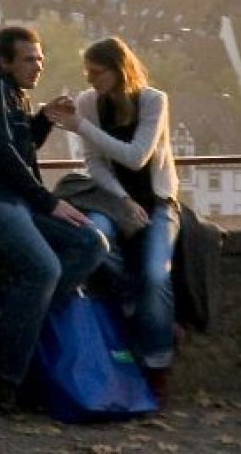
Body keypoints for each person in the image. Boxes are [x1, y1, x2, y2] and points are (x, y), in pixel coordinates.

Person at [0, 25, 107, 411]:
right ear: (4, 61)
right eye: (29, 59)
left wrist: (43, 120)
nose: (38, 66)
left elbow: (20, 144)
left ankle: (20, 314)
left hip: (13, 200)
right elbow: (0, 151)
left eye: (40, 59)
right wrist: (47, 202)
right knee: (43, 270)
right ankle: (4, 380)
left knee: (91, 243)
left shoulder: (13, 94)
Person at [61, 38, 180, 401]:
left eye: (97, 72)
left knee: (155, 274)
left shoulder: (153, 101)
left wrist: (81, 126)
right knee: (92, 240)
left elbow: (136, 157)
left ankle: (158, 362)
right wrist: (124, 199)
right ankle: (141, 309)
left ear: (118, 70)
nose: (91, 79)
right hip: (114, 200)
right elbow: (95, 163)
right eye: (88, 73)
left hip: (158, 202)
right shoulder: (88, 103)